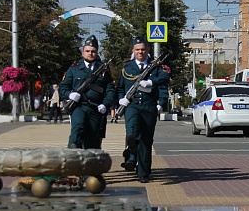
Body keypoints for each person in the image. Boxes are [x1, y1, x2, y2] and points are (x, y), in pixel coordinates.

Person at [117, 36, 169, 183]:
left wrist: (159, 99)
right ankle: (131, 152)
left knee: (146, 140)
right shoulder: (127, 68)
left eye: (143, 49)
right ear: (133, 51)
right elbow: (120, 87)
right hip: (132, 105)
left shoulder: (156, 68)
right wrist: (121, 98)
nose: (140, 52)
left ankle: (143, 173)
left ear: (147, 50)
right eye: (137, 49)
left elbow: (164, 80)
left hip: (149, 106)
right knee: (132, 133)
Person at [59, 35, 115, 150]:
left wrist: (105, 104)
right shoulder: (74, 68)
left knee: (93, 139)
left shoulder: (103, 69)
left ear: (97, 52)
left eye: (93, 51)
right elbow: (63, 87)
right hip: (79, 106)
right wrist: (70, 95)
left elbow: (109, 89)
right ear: (83, 52)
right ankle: (73, 152)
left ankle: (90, 162)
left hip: (96, 107)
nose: (90, 53)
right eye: (87, 51)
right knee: (78, 127)